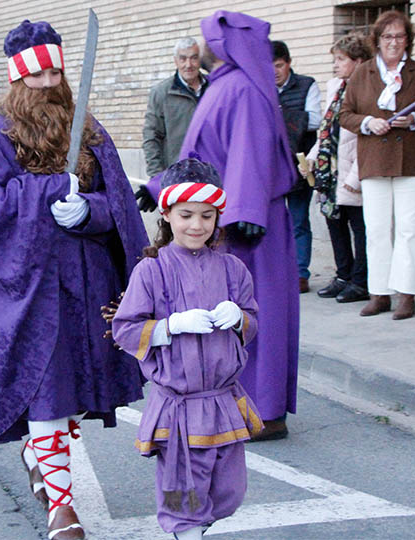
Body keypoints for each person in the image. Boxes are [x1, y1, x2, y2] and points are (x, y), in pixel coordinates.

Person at [0, 20, 148, 539]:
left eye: (55, 71)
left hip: (86, 279)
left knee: (71, 391)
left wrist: (88, 211)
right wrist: (42, 196)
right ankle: (61, 508)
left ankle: (39, 455)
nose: (48, 82)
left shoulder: (88, 128)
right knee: (45, 389)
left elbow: (120, 209)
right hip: (27, 288)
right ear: (18, 79)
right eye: (37, 73)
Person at [138, 11, 300, 441]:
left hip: (247, 227)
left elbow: (247, 156)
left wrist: (243, 215)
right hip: (235, 218)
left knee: (252, 313)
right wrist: (160, 187)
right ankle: (249, 406)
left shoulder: (241, 89)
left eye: (210, 40)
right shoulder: (231, 84)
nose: (204, 46)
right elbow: (205, 157)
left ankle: (263, 410)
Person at [112, 157, 262, 540]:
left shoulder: (233, 270)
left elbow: (252, 321)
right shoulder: (151, 271)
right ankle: (185, 530)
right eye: (186, 215)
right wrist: (169, 326)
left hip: (222, 399)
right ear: (167, 216)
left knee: (229, 489)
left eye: (207, 216)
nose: (197, 225)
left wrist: (240, 318)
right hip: (179, 403)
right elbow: (125, 329)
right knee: (184, 490)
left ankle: (200, 522)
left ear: (217, 218)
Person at [340, 10, 415, 320]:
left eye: (400, 36)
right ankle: (379, 293)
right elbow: (345, 115)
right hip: (373, 160)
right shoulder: (363, 74)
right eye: (387, 36)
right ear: (377, 41)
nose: (394, 42)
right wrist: (369, 122)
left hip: (411, 161)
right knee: (376, 230)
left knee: (409, 230)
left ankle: (406, 295)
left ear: (408, 40)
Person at [302, 32, 372, 303]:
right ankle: (343, 275)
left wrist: (354, 177)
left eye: (341, 60)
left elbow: (364, 139)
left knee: (359, 228)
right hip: (330, 171)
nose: (336, 65)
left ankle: (360, 280)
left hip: (353, 171)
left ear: (358, 60)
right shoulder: (335, 86)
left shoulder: (367, 88)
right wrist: (311, 157)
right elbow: (326, 129)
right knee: (335, 223)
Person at [273, 41, 321, 294]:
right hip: (272, 167)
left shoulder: (306, 84)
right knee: (275, 222)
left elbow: (315, 120)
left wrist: (280, 116)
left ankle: (301, 273)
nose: (275, 71)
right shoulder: (262, 87)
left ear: (288, 63)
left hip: (302, 164)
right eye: (270, 66)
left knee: (299, 220)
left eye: (279, 65)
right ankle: (280, 270)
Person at [141, 37, 208, 180]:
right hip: (178, 175)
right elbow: (151, 136)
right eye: (183, 59)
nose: (188, 64)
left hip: (212, 173)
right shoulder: (161, 93)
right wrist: (157, 176)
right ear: (175, 61)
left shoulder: (214, 87)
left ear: (200, 60)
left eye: (194, 58)